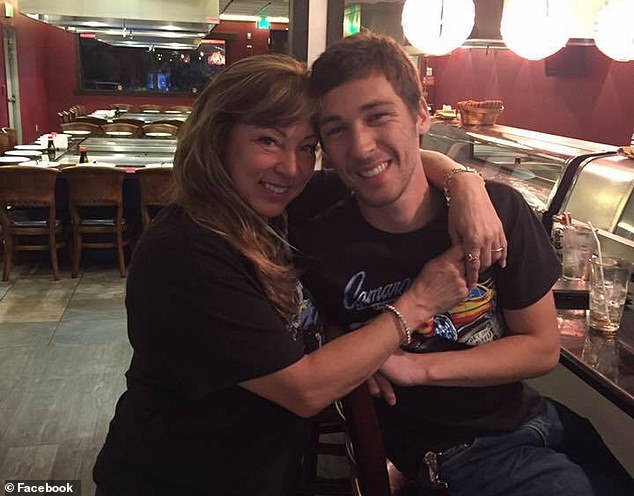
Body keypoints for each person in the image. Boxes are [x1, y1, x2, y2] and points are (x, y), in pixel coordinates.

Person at [92, 54, 506, 496]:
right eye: (268, 141)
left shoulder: (279, 204)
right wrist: (418, 303)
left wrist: (465, 182)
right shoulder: (187, 252)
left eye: (307, 147)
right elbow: (306, 390)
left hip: (260, 471)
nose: (291, 168)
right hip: (175, 478)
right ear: (218, 140)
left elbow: (392, 162)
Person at [292, 31, 633, 496]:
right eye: (336, 129)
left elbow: (540, 348)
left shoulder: (500, 212)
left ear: (421, 116)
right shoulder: (316, 234)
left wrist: (416, 368)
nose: (361, 146)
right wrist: (352, 351)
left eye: (378, 117)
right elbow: (317, 337)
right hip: (451, 452)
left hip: (537, 419)